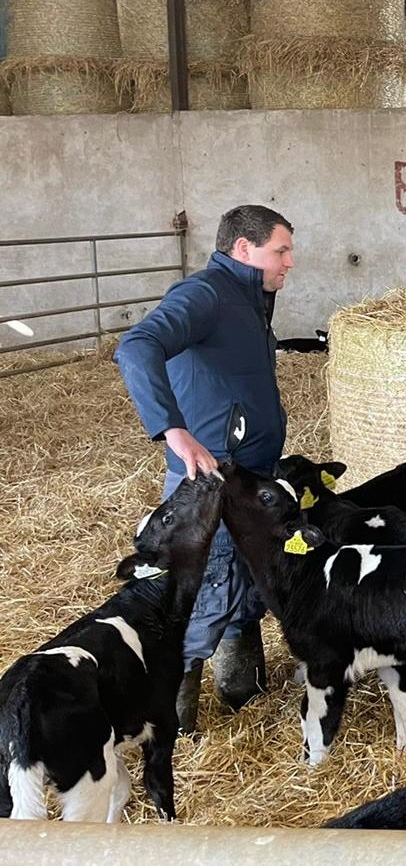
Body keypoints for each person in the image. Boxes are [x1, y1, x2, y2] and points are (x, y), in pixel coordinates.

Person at [114, 204, 295, 733]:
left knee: (243, 578)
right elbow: (137, 345)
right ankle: (174, 724)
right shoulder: (205, 294)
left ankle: (241, 687)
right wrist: (172, 428)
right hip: (208, 482)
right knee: (205, 585)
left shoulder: (250, 299)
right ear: (243, 248)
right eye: (280, 251)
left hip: (247, 476)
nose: (289, 262)